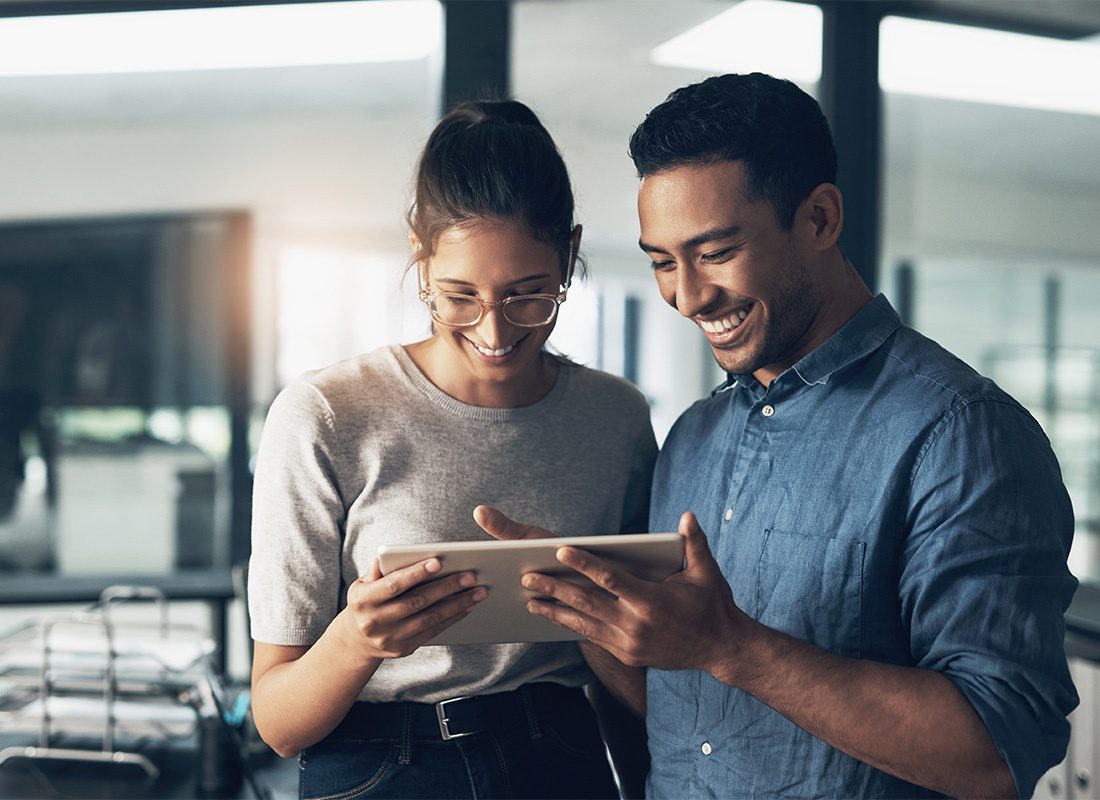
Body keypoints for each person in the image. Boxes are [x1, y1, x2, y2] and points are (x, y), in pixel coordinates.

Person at [475, 73, 1078, 799]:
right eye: (663, 262)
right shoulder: (693, 436)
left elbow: (998, 748)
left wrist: (731, 648)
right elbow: (686, 715)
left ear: (820, 219)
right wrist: (585, 609)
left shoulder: (962, 435)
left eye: (716, 251)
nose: (689, 296)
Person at [247, 99, 657, 799]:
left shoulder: (613, 417)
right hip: (379, 764)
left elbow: (646, 689)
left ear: (569, 250)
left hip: (560, 756)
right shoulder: (325, 415)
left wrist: (593, 615)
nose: (494, 333)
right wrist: (356, 639)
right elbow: (279, 725)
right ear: (420, 254)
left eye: (531, 295)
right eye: (458, 296)